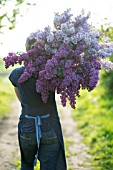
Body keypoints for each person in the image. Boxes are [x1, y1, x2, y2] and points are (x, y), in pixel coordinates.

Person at [9, 37, 67, 170]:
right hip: (49, 127)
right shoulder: (52, 72)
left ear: (26, 50)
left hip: (27, 127)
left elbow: (20, 96)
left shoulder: (16, 74)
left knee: (27, 165)